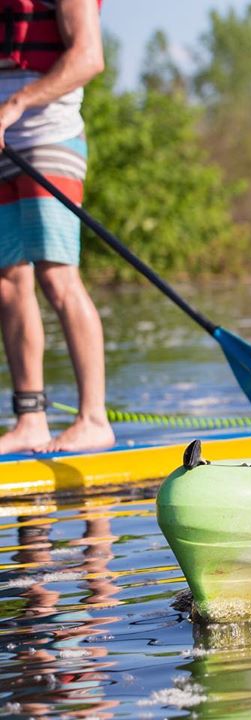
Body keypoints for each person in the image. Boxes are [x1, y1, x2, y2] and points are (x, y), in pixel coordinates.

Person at [0, 0, 113, 453]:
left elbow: (89, 56)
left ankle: (94, 419)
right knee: (7, 282)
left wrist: (15, 104)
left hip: (49, 135)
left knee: (56, 276)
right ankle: (31, 421)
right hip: (4, 143)